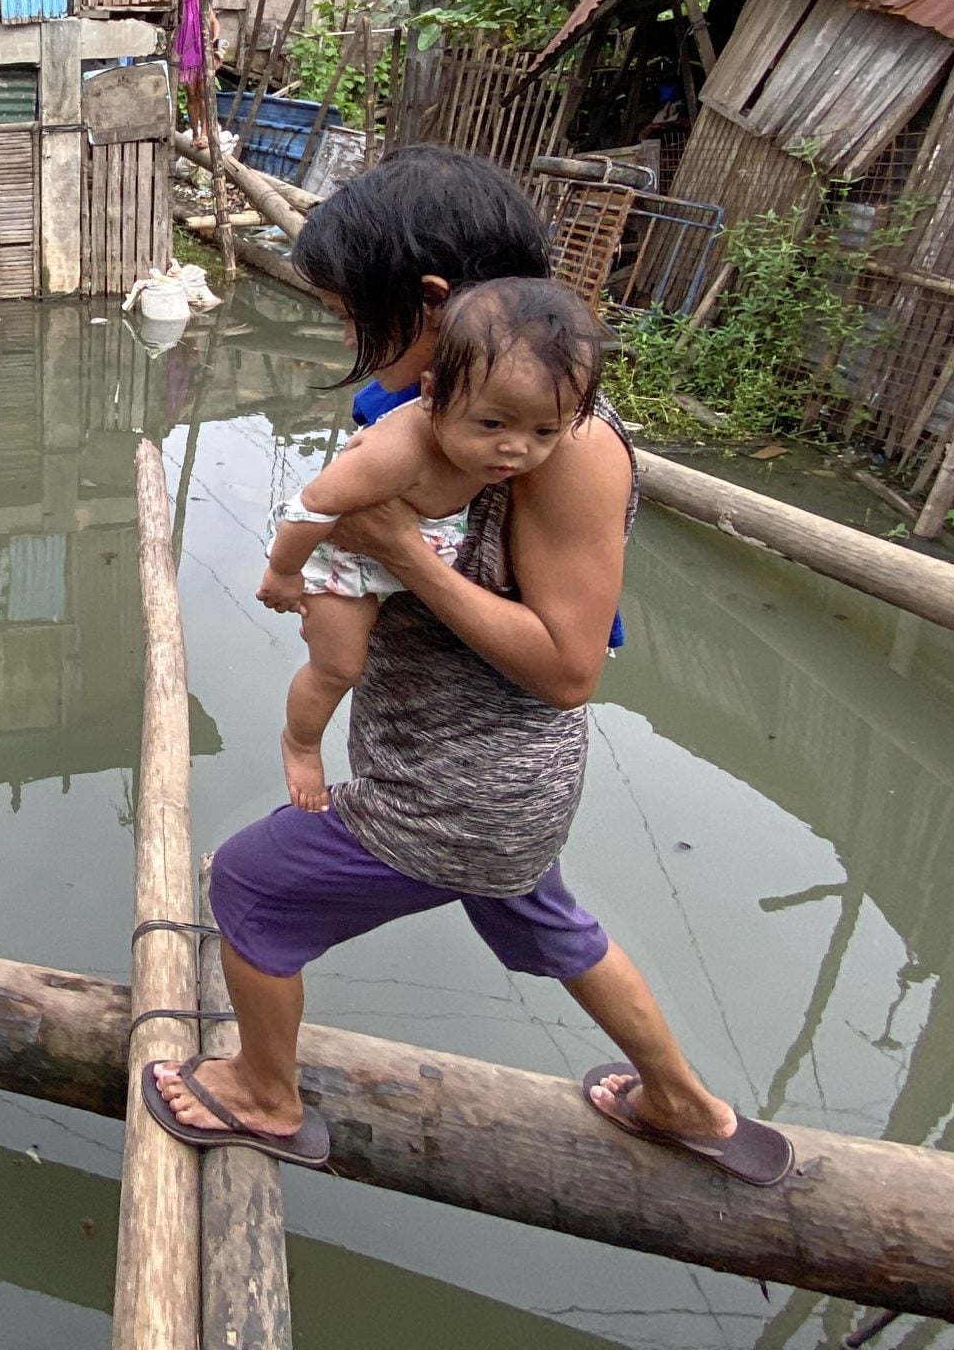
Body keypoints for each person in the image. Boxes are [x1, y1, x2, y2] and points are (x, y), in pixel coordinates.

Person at [142, 146, 794, 1188]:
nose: (352, 345)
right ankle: (680, 1101)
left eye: (359, 317)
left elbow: (569, 669)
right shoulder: (463, 417)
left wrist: (400, 554)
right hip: (487, 785)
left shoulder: (565, 449)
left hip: (462, 786)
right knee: (538, 912)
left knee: (250, 886)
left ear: (434, 303)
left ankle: (264, 1097)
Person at [257, 276, 601, 818]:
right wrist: (284, 573)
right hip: (344, 563)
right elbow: (311, 506)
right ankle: (300, 743)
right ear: (433, 394)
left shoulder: (521, 431)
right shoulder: (396, 451)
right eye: (493, 424)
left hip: (415, 548)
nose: (515, 449)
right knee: (339, 667)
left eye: (545, 433)